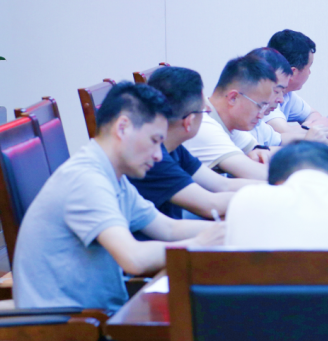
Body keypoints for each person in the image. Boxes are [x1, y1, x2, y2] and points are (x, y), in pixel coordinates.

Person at [13, 83, 223, 313]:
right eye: (154, 141)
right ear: (123, 128)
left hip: (97, 316)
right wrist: (198, 244)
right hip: (72, 325)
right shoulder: (86, 180)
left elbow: (169, 229)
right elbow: (133, 258)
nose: (157, 155)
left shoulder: (113, 175)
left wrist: (229, 230)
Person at [130, 67, 263, 220]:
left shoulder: (173, 146)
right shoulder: (153, 157)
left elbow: (222, 184)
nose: (209, 109)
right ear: (189, 122)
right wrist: (272, 195)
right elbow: (210, 205)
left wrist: (274, 188)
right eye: (204, 110)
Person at [183, 55, 277, 180]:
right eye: (260, 106)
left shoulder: (228, 121)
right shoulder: (203, 125)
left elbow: (259, 151)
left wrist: (260, 151)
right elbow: (262, 176)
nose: (261, 115)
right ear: (233, 98)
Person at [247, 47, 328, 146]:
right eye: (276, 91)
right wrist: (308, 138)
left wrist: (316, 136)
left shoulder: (258, 123)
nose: (281, 100)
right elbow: (257, 153)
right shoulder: (238, 127)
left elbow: (278, 139)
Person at [267, 29, 328, 131]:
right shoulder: (265, 95)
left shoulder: (287, 94)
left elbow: (313, 114)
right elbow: (285, 132)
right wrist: (313, 128)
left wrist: (307, 128)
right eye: (309, 67)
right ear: (292, 72)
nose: (309, 72)